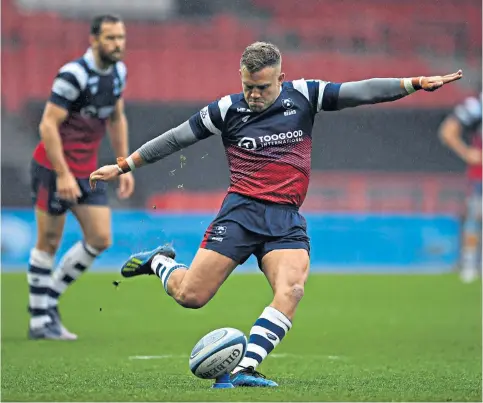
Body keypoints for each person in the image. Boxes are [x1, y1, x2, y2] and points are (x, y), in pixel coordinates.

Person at [90, 42, 462, 386]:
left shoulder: (304, 95)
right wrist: (124, 166)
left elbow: (359, 92)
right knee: (191, 296)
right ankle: (158, 261)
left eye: (262, 88)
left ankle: (244, 369)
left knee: (292, 289)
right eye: (248, 86)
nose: (253, 95)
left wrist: (413, 83)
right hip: (239, 215)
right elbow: (175, 138)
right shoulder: (226, 109)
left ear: (281, 79)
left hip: (284, 220)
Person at [28, 14, 135, 340]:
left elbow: (116, 117)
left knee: (101, 238)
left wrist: (123, 164)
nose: (117, 44)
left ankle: (49, 301)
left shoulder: (118, 72)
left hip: (87, 171)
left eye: (121, 38)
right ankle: (39, 322)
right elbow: (47, 125)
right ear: (93, 40)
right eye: (110, 38)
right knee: (48, 242)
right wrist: (62, 175)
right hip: (53, 168)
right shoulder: (73, 75)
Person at [439, 92, 482, 283]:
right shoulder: (477, 106)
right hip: (480, 177)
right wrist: (466, 153)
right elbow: (447, 131)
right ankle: (470, 265)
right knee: (476, 217)